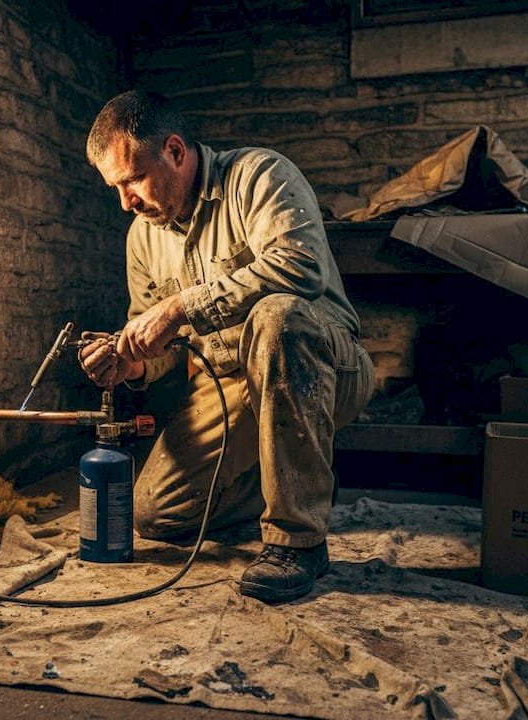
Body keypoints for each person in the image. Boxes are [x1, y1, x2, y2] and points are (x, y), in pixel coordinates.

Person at [78, 89, 375, 603]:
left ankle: (298, 539)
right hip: (232, 383)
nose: (125, 200)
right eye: (114, 187)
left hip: (322, 362)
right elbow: (162, 347)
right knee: (155, 514)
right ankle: (293, 477)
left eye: (131, 180)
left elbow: (298, 267)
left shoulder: (259, 176)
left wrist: (177, 309)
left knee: (277, 316)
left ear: (174, 150)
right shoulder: (141, 237)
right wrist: (129, 364)